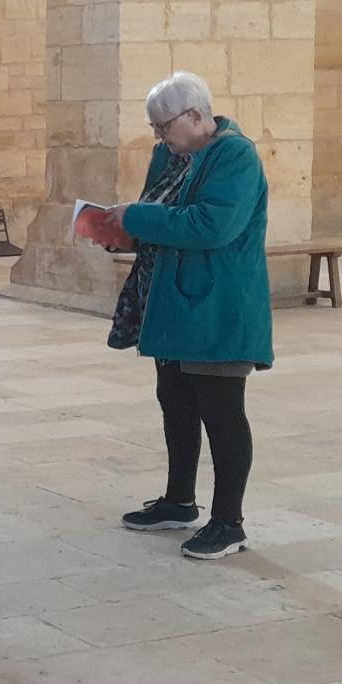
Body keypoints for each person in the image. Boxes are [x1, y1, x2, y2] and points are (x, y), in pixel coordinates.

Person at [107, 71, 272, 561]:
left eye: (164, 126)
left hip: (218, 303)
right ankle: (179, 502)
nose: (159, 136)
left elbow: (212, 225)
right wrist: (120, 230)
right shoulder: (171, 155)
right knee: (175, 401)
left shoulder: (235, 156)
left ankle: (229, 524)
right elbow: (157, 212)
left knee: (221, 412)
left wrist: (136, 217)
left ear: (197, 115)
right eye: (154, 128)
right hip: (170, 300)